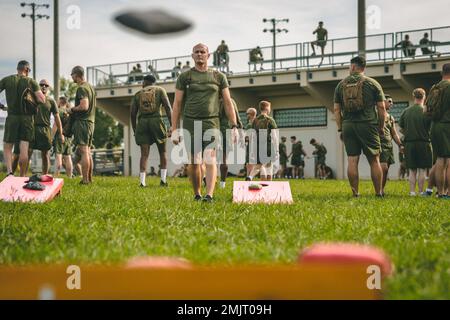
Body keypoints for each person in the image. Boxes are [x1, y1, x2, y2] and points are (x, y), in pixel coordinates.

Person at [170, 43, 238, 202]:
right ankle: (197, 193)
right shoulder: (185, 77)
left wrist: (234, 125)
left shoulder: (218, 77)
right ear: (192, 56)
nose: (200, 54)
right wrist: (174, 129)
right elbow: (177, 104)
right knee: (194, 162)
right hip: (190, 123)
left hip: (211, 123)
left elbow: (228, 102)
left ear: (208, 55)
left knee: (210, 157)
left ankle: (209, 195)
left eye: (203, 52)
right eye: (196, 52)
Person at [334, 56, 387, 197]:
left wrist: (340, 128)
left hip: (348, 125)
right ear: (364, 67)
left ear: (353, 67)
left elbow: (337, 110)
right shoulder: (372, 83)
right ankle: (378, 193)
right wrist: (381, 127)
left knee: (352, 159)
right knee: (374, 159)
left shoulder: (341, 85)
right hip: (368, 124)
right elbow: (382, 108)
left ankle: (355, 193)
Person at [0, 60, 45, 177]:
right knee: (24, 149)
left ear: (18, 69)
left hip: (12, 117)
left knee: (8, 146)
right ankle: (22, 175)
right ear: (26, 70)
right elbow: (42, 100)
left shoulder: (7, 80)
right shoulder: (31, 82)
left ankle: (10, 172)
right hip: (27, 119)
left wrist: (1, 106)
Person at [131, 74, 172, 187]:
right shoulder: (160, 90)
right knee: (162, 152)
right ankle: (163, 181)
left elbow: (132, 113)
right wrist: (172, 125)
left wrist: (135, 129)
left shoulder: (138, 94)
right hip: (157, 122)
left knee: (144, 154)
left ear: (144, 82)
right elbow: (168, 107)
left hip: (142, 123)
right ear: (154, 82)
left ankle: (142, 182)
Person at [399, 88, 433, 196]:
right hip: (424, 143)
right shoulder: (426, 112)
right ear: (424, 97)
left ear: (414, 97)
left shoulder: (406, 111)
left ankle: (412, 192)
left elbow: (401, 128)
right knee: (422, 170)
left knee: (412, 170)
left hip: (410, 144)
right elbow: (430, 128)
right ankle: (421, 191)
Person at [68, 66, 96, 185]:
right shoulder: (90, 87)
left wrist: (72, 109)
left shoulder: (82, 88)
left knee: (84, 151)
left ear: (76, 74)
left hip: (83, 122)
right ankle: (89, 179)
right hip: (90, 122)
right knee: (87, 151)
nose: (71, 77)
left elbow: (84, 106)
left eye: (72, 75)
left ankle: (85, 180)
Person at [425, 63, 450, 198]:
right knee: (449, 162)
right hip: (447, 126)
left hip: (435, 126)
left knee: (440, 160)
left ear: (442, 72)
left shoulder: (435, 87)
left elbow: (426, 110)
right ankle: (448, 193)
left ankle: (440, 193)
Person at [30, 79, 64, 175]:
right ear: (38, 86)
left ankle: (44, 175)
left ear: (48, 88)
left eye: (46, 85)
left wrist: (61, 134)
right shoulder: (32, 98)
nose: (44, 86)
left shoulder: (51, 101)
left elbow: (57, 118)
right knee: (28, 151)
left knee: (45, 154)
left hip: (45, 129)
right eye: (41, 84)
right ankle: (23, 175)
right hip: (32, 128)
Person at [247, 101, 279, 181]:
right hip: (268, 145)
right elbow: (274, 136)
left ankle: (250, 177)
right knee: (268, 166)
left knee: (260, 166)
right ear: (267, 108)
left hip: (258, 146)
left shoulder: (255, 120)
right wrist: (277, 149)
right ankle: (268, 185)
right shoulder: (270, 120)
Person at [379, 95, 404, 195]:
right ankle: (379, 190)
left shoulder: (390, 117)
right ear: (383, 102)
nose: (392, 104)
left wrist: (400, 145)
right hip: (379, 145)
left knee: (386, 170)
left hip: (388, 146)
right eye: (389, 101)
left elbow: (394, 133)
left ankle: (381, 189)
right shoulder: (376, 115)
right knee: (383, 168)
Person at [218, 97, 243, 189]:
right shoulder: (231, 101)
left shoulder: (213, 100)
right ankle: (222, 184)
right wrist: (240, 130)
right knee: (224, 159)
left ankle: (207, 180)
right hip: (227, 131)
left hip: (214, 130)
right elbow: (236, 116)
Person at [53, 96, 73, 177]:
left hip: (59, 136)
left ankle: (56, 176)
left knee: (58, 157)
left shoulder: (59, 112)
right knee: (68, 157)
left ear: (60, 102)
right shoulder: (69, 112)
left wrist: (51, 137)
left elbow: (55, 126)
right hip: (68, 137)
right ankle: (70, 176)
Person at [244, 107, 257, 177]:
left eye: (247, 114)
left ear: (250, 114)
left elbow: (247, 137)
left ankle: (249, 177)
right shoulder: (258, 122)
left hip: (251, 146)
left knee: (249, 163)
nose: (246, 115)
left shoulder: (250, 125)